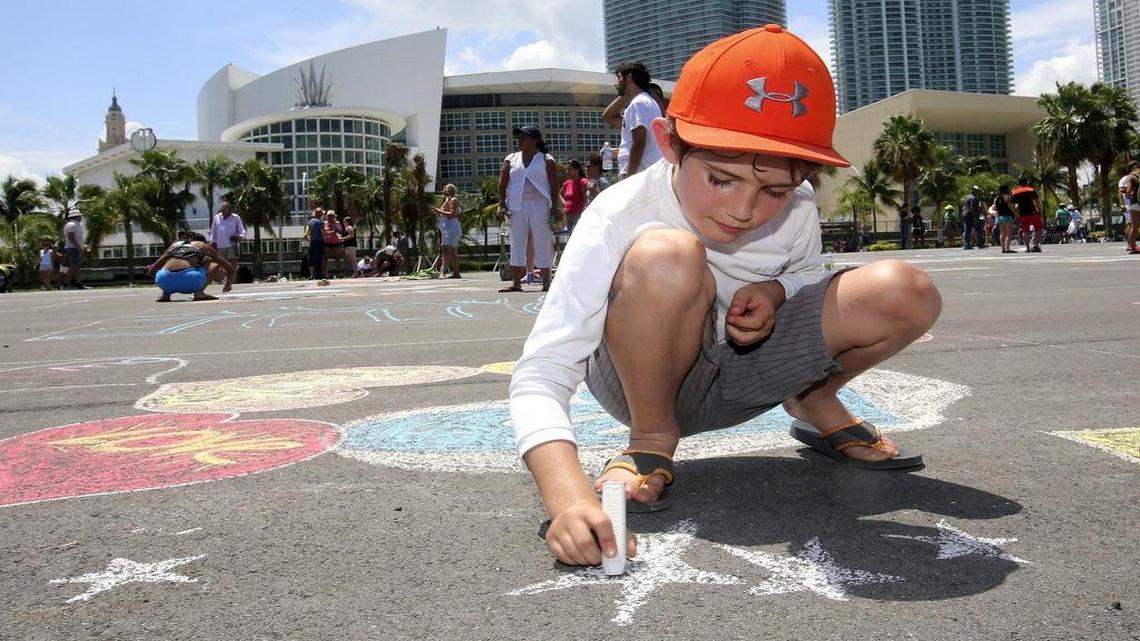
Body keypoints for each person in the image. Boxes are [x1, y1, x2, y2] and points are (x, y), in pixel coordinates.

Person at [509, 24, 940, 567]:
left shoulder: (800, 204)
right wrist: (567, 498)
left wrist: (778, 290)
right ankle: (652, 435)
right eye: (719, 179)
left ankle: (814, 400)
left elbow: (810, 272)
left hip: (748, 380)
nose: (743, 209)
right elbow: (542, 369)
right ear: (669, 143)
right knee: (669, 255)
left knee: (907, 291)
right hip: (645, 384)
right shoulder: (620, 214)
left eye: (774, 192)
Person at [497, 125, 559, 293]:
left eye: (524, 137)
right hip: (517, 205)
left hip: (540, 204)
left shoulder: (546, 159)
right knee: (517, 241)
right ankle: (516, 282)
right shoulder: (511, 158)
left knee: (543, 240)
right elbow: (502, 183)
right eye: (519, 138)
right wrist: (502, 204)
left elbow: (554, 185)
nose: (520, 141)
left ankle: (547, 281)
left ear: (535, 140)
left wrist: (555, 207)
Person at [602, 62, 664, 179]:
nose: (616, 83)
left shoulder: (638, 103)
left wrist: (630, 177)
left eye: (619, 78)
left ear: (629, 78)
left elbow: (639, 142)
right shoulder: (645, 101)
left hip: (640, 174)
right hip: (646, 173)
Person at [146, 232, 235, 302]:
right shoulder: (202, 246)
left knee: (168, 268)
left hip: (163, 281)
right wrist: (228, 284)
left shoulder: (175, 245)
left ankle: (165, 294)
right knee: (214, 264)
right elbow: (229, 268)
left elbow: (152, 269)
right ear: (203, 242)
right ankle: (199, 293)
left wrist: (162, 283)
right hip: (190, 281)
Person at [432, 184, 463, 279]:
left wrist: (439, 211)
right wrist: (438, 213)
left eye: (445, 189)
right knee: (447, 249)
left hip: (451, 227)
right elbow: (446, 214)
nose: (443, 190)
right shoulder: (447, 200)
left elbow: (452, 214)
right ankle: (452, 272)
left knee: (450, 249)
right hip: (446, 227)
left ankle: (446, 272)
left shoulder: (453, 200)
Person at [208, 201, 245, 275]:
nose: (223, 209)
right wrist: (211, 242)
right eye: (222, 207)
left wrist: (240, 237)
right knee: (220, 263)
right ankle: (223, 278)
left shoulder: (236, 217)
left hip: (231, 244)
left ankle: (232, 278)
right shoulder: (217, 217)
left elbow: (242, 229)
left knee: (232, 262)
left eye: (225, 207)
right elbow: (213, 231)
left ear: (229, 209)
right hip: (220, 245)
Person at [561, 159, 590, 235]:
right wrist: (564, 203)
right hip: (567, 215)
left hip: (578, 215)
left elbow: (586, 199)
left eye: (569, 169)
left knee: (576, 237)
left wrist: (583, 214)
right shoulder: (567, 183)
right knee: (570, 237)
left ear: (577, 170)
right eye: (566, 170)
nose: (567, 172)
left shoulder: (583, 181)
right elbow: (558, 194)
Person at [61, 208, 88, 289]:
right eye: (79, 216)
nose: (81, 217)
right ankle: (65, 284)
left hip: (75, 248)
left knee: (76, 267)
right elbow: (71, 237)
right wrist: (79, 247)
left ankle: (79, 284)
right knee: (73, 266)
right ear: (76, 216)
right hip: (72, 248)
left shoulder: (77, 225)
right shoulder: (71, 225)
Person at [1117, 160, 1140, 253]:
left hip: (1134, 203)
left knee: (1133, 226)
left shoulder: (1130, 177)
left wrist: (1126, 196)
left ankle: (1132, 247)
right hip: (1133, 204)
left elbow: (1127, 192)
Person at [303, 207, 326, 280]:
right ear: (321, 214)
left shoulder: (310, 222)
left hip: (312, 242)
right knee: (319, 258)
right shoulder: (320, 222)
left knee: (311, 258)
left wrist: (309, 240)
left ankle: (311, 275)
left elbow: (305, 235)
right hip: (319, 242)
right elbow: (323, 233)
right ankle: (319, 274)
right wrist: (325, 236)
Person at [994, 184, 1017, 253]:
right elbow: (1011, 207)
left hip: (999, 217)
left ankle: (1003, 249)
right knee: (1009, 233)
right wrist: (1014, 214)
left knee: (1002, 233)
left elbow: (995, 208)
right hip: (1007, 216)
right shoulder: (1007, 197)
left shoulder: (996, 198)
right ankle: (1007, 249)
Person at [961, 186, 985, 250]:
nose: (978, 192)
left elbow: (964, 207)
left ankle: (967, 244)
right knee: (979, 229)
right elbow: (972, 208)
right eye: (977, 191)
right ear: (973, 191)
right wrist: (975, 218)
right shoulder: (974, 198)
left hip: (965, 215)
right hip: (971, 216)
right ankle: (980, 243)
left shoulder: (967, 197)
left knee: (967, 231)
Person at [322, 210, 344, 276]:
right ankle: (325, 273)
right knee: (325, 258)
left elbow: (340, 231)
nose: (330, 217)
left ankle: (339, 273)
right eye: (328, 216)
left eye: (331, 216)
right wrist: (330, 232)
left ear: (334, 216)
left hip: (335, 242)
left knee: (337, 258)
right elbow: (323, 232)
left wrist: (335, 228)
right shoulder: (324, 223)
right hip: (326, 242)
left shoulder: (337, 223)